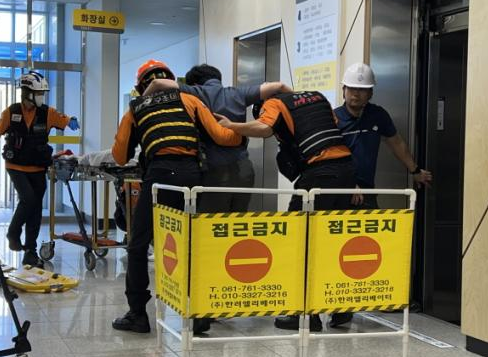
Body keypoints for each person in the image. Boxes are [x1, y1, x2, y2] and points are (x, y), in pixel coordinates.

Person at [111, 59, 242, 334]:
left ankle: (137, 314)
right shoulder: (189, 99)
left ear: (140, 86)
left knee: (138, 245)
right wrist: (240, 135)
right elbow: (221, 136)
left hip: (159, 176)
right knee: (190, 244)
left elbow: (120, 156)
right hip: (191, 176)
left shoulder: (135, 109)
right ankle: (198, 315)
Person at [216, 90, 356, 331]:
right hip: (347, 170)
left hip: (319, 174)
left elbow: (264, 128)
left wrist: (232, 126)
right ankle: (341, 309)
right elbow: (333, 127)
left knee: (297, 241)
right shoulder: (318, 97)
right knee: (334, 241)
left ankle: (304, 315)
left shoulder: (274, 103)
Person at [143, 63, 291, 212]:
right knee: (238, 220)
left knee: (211, 221)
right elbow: (279, 86)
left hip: (214, 171)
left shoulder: (196, 91)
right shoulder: (238, 93)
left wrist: (140, 103)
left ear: (195, 83)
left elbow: (157, 83)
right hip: (244, 169)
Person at [0, 71, 79, 267]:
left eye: (43, 93)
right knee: (28, 199)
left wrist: (71, 120)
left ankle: (30, 252)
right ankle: (13, 232)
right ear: (27, 94)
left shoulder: (47, 113)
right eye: (39, 93)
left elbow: (64, 119)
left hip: (37, 168)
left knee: (35, 209)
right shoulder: (10, 112)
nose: (42, 97)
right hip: (15, 166)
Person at [335, 63, 432, 208]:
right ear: (344, 90)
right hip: (338, 190)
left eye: (362, 89)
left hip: (367, 191)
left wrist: (415, 170)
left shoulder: (378, 115)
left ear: (370, 93)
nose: (356, 93)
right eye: (351, 88)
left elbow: (396, 143)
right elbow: (328, 159)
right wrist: (348, 184)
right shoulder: (333, 118)